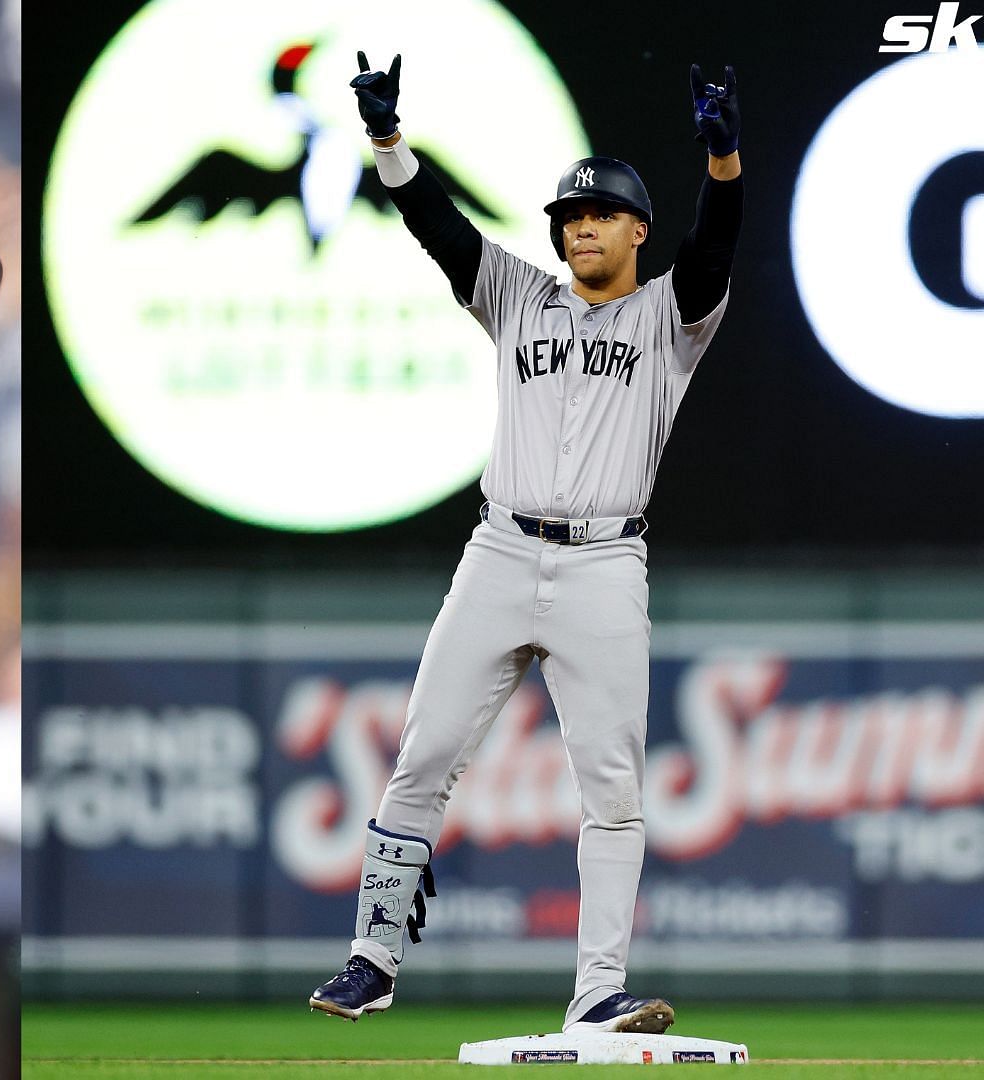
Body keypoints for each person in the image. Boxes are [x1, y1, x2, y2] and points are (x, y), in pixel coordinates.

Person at [308, 56, 742, 1034]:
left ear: (637, 230)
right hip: (500, 552)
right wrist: (387, 143)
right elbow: (439, 226)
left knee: (614, 785)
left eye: (598, 214)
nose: (578, 225)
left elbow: (714, 249)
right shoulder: (519, 296)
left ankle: (597, 991)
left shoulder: (669, 316)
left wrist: (723, 158)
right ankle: (371, 959)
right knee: (421, 757)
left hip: (602, 562)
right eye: (567, 215)